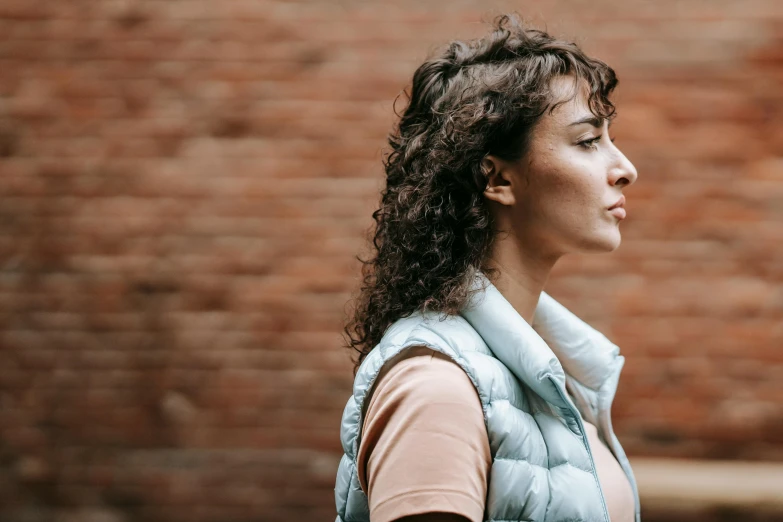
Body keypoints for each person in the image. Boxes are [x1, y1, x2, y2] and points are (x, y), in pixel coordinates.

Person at [335, 13, 640, 522]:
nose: (625, 168)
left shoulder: (554, 373)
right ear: (496, 178)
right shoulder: (436, 389)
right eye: (588, 141)